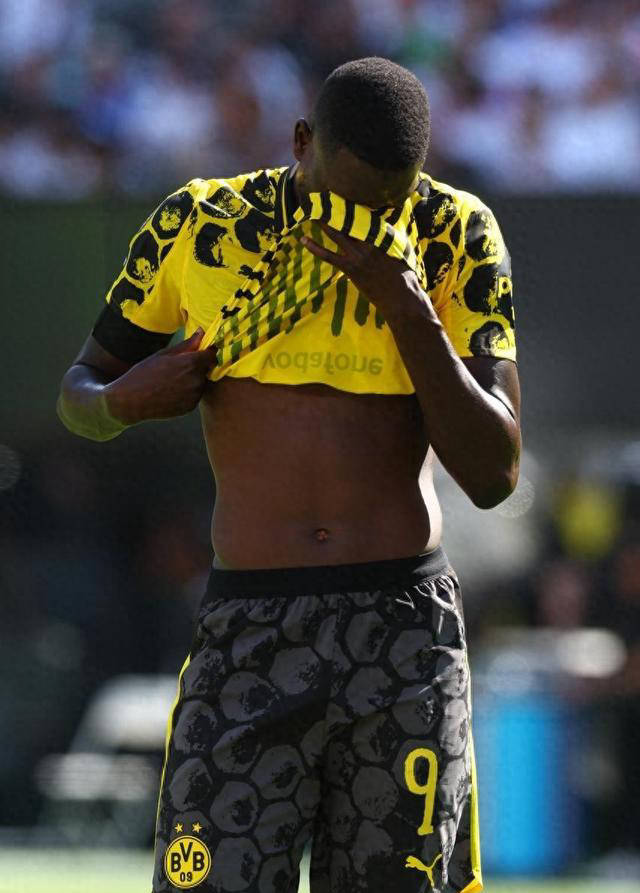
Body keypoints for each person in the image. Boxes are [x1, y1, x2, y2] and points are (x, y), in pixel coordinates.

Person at [57, 57, 520, 893]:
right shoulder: (203, 223)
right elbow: (77, 393)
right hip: (249, 627)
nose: (363, 219)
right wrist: (124, 399)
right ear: (303, 142)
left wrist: (405, 301)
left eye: (387, 201)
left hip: (402, 630)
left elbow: (495, 471)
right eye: (347, 192)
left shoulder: (454, 232)